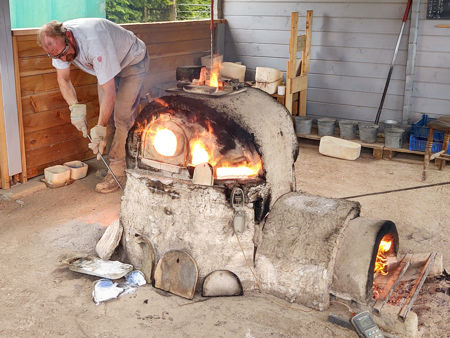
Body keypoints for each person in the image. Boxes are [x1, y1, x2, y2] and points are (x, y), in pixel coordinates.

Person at [37, 18, 149, 193]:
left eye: (63, 53)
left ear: (68, 36)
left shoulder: (94, 42)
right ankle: (113, 164)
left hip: (132, 62)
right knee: (107, 117)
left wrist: (99, 128)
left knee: (121, 117)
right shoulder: (58, 47)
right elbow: (63, 79)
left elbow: (109, 92)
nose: (63, 59)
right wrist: (74, 108)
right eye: (56, 56)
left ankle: (118, 171)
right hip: (108, 68)